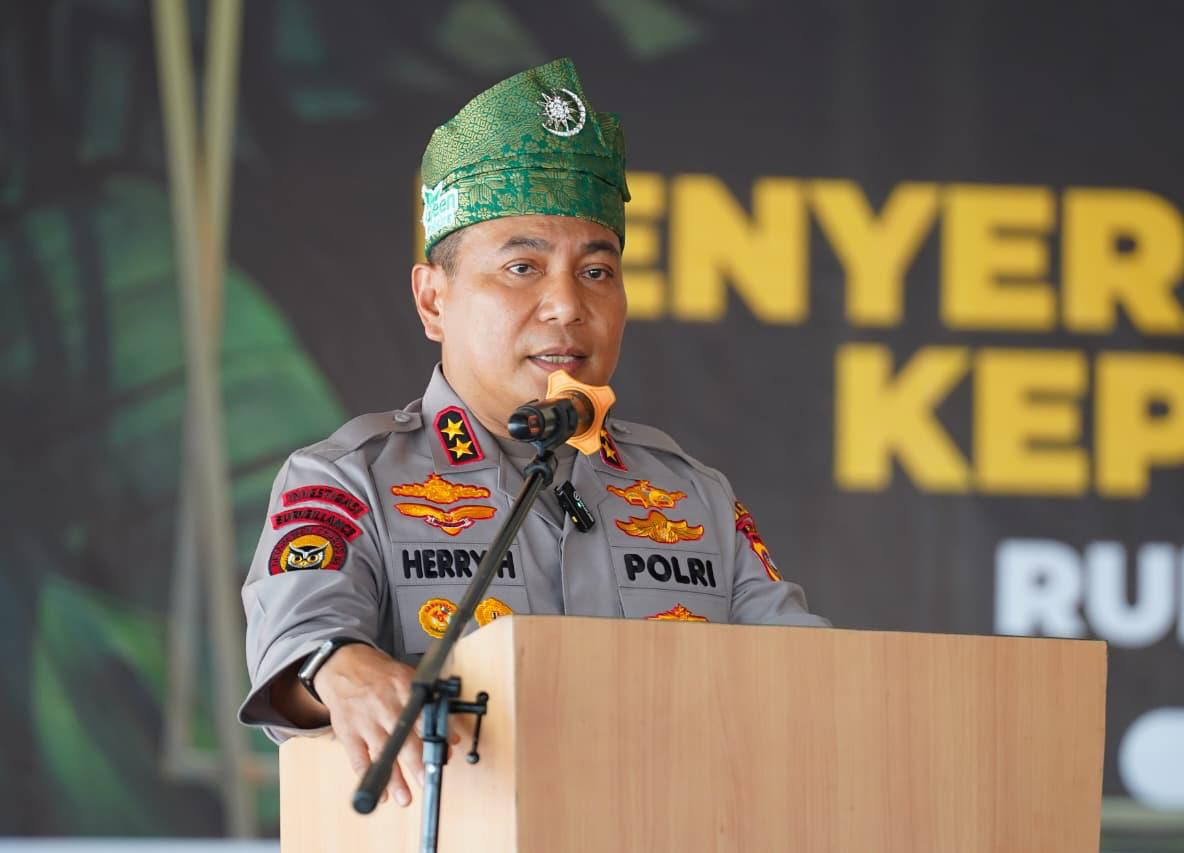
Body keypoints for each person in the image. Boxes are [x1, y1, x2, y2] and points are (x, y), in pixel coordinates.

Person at [238, 57, 828, 809]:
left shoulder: (692, 494)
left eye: (597, 273)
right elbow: (299, 639)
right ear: (433, 300)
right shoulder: (351, 479)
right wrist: (344, 668)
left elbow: (815, 679)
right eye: (522, 267)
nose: (566, 306)